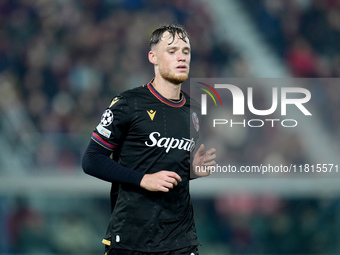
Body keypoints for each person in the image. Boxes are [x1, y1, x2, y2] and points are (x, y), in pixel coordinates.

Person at [82, 24, 216, 255]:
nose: (181, 57)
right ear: (153, 57)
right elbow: (92, 160)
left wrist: (190, 171)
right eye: (172, 51)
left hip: (180, 239)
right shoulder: (128, 103)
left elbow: (164, 168)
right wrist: (142, 179)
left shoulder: (194, 110)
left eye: (186, 51)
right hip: (131, 240)